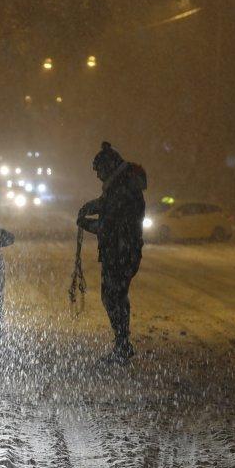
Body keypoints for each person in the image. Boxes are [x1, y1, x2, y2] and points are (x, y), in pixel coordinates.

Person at [77, 142, 146, 363]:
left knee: (113, 297)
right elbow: (107, 206)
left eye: (99, 170)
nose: (98, 176)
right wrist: (92, 206)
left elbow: (108, 225)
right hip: (123, 251)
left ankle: (122, 344)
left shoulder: (121, 189)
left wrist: (86, 223)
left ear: (108, 167)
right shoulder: (121, 185)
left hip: (120, 252)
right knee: (115, 296)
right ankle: (122, 343)